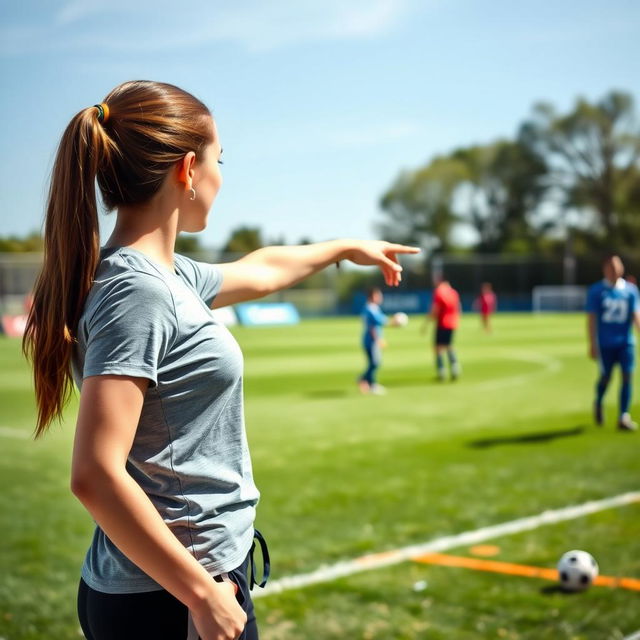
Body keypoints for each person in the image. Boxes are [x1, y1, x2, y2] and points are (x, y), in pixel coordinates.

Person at [22, 80, 419, 640]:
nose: (222, 177)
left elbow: (262, 270)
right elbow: (94, 474)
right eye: (219, 160)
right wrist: (202, 594)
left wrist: (344, 247)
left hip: (174, 588)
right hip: (172, 598)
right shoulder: (139, 293)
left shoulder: (169, 275)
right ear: (187, 169)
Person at [586, 255, 640, 432]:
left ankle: (623, 416)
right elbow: (592, 319)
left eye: (617, 266)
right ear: (605, 269)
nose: (615, 270)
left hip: (626, 342)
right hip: (605, 343)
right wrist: (592, 344)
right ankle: (599, 402)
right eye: (611, 267)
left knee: (627, 376)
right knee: (606, 377)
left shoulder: (631, 290)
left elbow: (636, 315)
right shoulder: (597, 291)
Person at [424, 274, 461, 381]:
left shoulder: (439, 292)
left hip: (442, 323)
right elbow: (458, 307)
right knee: (449, 345)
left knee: (438, 348)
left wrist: (427, 322)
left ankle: (441, 371)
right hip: (453, 322)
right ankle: (455, 367)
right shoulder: (454, 292)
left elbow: (435, 309)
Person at [358, 287, 388, 395]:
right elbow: (372, 327)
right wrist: (378, 340)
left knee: (374, 363)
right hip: (371, 341)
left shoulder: (371, 308)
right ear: (373, 296)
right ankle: (369, 383)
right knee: (375, 363)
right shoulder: (370, 309)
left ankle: (366, 381)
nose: (380, 297)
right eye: (378, 295)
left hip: (369, 340)